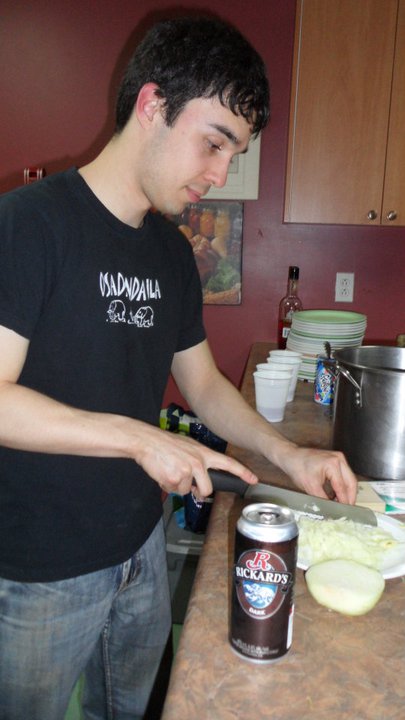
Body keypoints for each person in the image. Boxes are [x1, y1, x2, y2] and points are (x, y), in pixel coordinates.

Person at [0, 14, 357, 720]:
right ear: (152, 104)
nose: (220, 174)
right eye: (214, 143)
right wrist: (141, 439)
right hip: (37, 571)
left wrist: (289, 455)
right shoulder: (28, 225)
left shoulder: (170, 252)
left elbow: (204, 385)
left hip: (141, 546)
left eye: (235, 154)